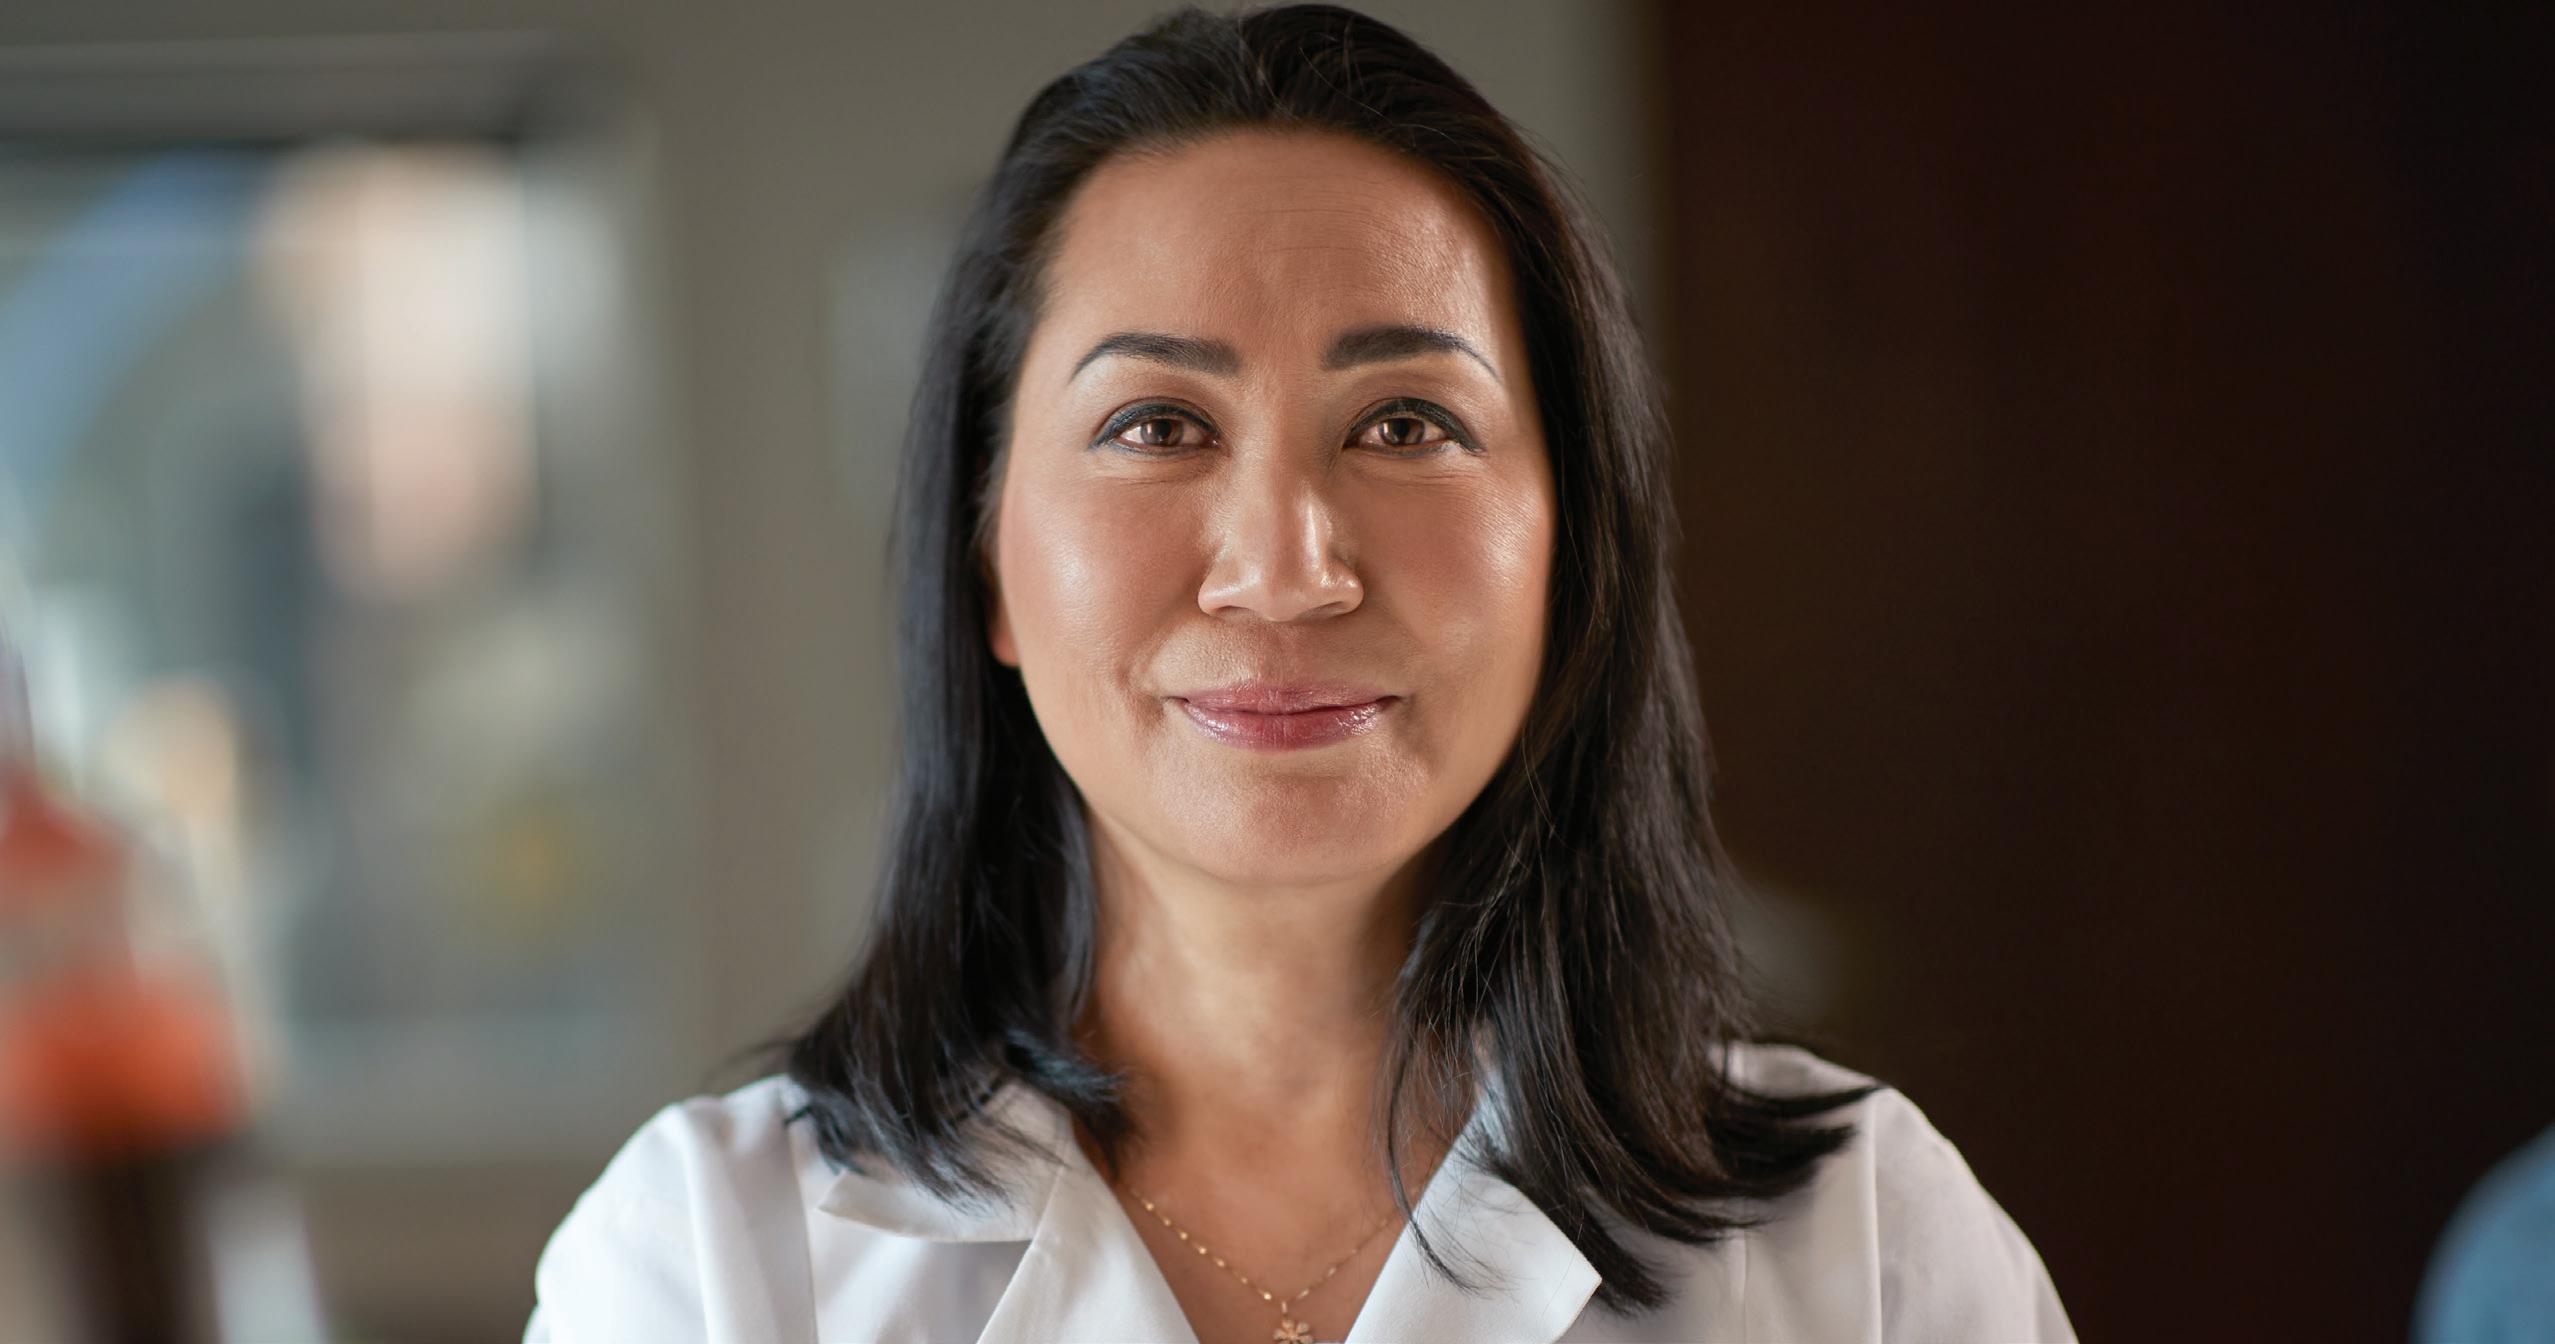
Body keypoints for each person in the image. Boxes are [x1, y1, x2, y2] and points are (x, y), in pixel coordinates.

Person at [525, 6, 2073, 1341]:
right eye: (1156, 426)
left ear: (1570, 541)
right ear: (985, 557)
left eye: (1405, 424)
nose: (1285, 568)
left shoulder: (1869, 1244)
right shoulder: (708, 1265)